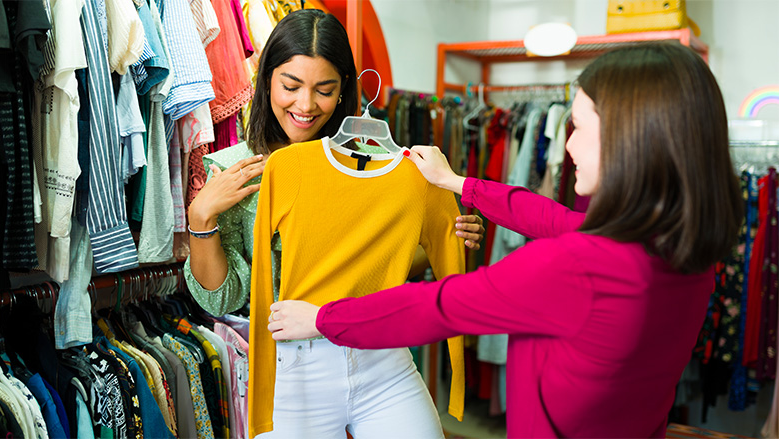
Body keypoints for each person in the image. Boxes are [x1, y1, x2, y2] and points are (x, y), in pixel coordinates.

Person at [267, 42, 745, 438]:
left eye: (581, 127)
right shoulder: (680, 250)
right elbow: (550, 215)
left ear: (633, 138)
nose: (568, 145)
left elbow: (437, 306)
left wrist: (324, 318)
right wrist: (460, 184)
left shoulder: (577, 268)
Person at [183, 8, 484, 439]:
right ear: (266, 79)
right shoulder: (236, 173)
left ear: (344, 90)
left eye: (324, 90)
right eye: (290, 86)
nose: (305, 106)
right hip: (294, 369)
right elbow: (223, 300)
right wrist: (201, 217)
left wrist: (445, 239)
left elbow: (385, 264)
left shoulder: (374, 165)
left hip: (382, 353)